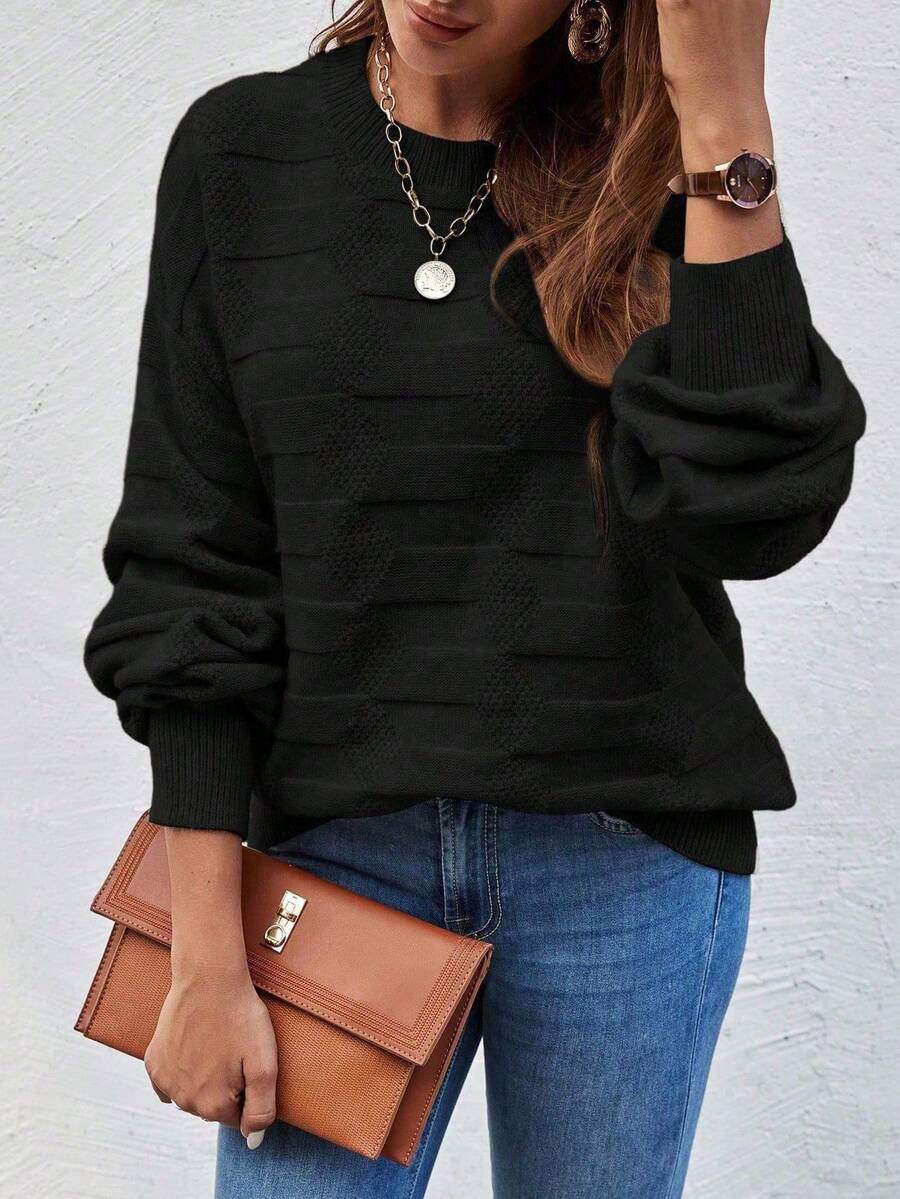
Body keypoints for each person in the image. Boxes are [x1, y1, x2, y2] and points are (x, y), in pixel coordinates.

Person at [82, 2, 866, 1195]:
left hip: (623, 859)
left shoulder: (661, 167)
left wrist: (723, 114)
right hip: (335, 860)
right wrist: (203, 951)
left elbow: (753, 515)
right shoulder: (241, 153)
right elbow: (193, 559)